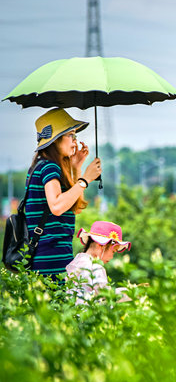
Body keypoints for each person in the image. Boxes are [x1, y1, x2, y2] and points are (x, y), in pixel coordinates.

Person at [24, 108, 102, 277]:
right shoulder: (49, 167)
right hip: (51, 258)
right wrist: (86, 179)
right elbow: (57, 206)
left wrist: (76, 168)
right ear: (56, 140)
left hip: (51, 257)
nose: (75, 142)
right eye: (71, 135)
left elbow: (75, 206)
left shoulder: (40, 166)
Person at [66, 221, 131, 302]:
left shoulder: (77, 261)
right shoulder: (95, 267)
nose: (112, 256)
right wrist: (128, 291)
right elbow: (106, 295)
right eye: (113, 251)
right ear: (100, 245)